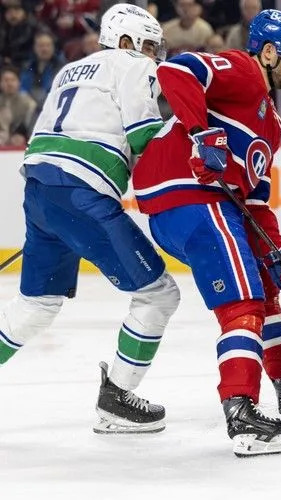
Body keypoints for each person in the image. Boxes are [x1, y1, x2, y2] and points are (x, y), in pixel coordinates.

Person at [132, 9, 281, 457]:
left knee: (265, 291)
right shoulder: (242, 70)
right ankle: (242, 414)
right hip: (194, 197)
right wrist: (202, 134)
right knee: (242, 304)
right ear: (269, 51)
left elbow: (256, 202)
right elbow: (175, 70)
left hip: (206, 206)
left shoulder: (270, 124)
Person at [0, 4, 179, 435]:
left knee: (37, 305)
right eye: (149, 46)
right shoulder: (133, 66)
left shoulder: (69, 70)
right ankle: (117, 398)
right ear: (125, 42)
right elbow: (143, 139)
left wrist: (60, 214)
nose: (154, 56)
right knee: (159, 296)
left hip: (42, 189)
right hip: (81, 193)